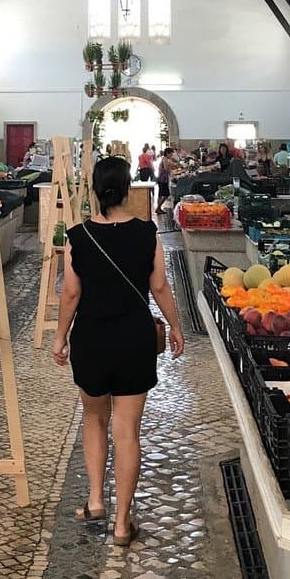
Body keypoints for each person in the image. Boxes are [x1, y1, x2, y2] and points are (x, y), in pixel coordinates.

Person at [53, 157, 184, 545]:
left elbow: (70, 293)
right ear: (128, 189)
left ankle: (95, 500)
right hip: (134, 339)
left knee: (94, 419)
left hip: (91, 339)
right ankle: (123, 523)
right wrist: (175, 326)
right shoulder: (148, 233)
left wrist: (60, 338)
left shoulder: (77, 237)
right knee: (126, 431)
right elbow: (159, 286)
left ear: (95, 189)